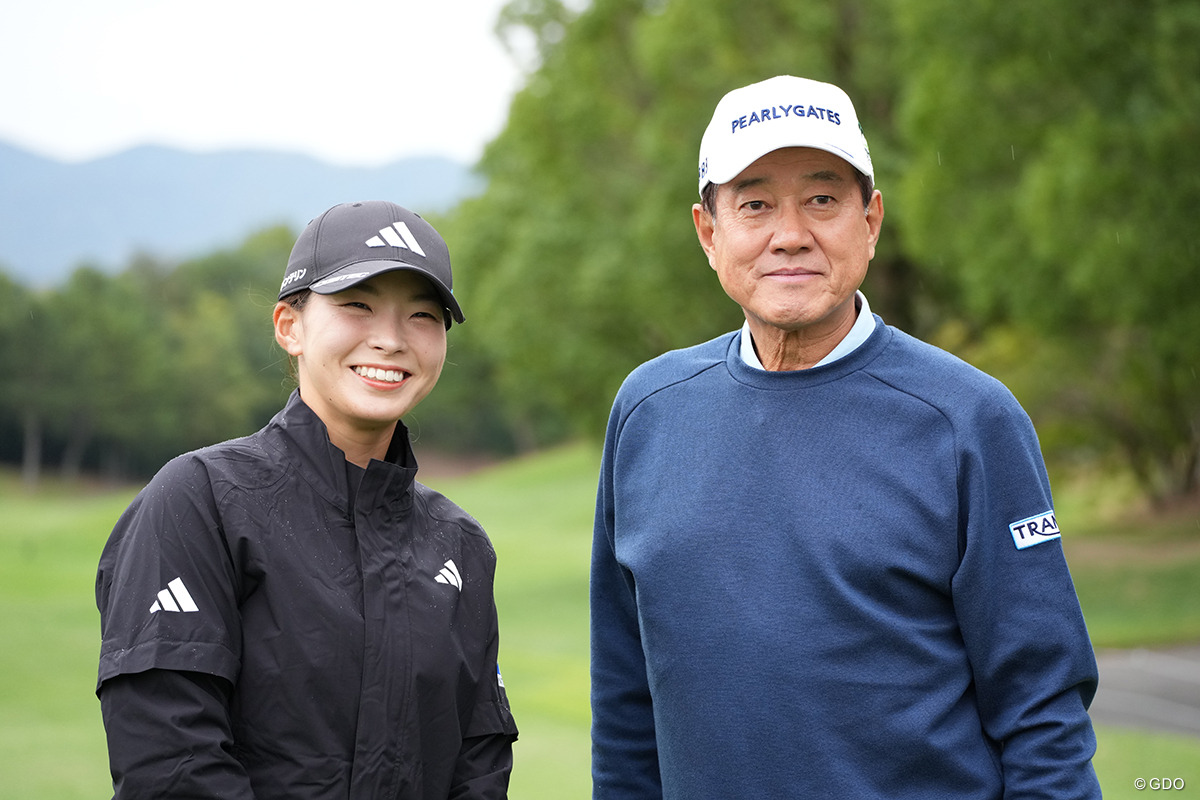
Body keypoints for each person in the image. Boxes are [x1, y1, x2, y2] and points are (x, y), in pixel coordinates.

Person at [590, 76, 1101, 799]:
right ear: (710, 233)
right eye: (755, 203)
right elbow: (624, 701)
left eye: (823, 199)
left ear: (871, 220)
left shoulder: (968, 419)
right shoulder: (648, 410)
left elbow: (1042, 710)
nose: (790, 233)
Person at [96, 200, 518, 799]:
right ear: (289, 326)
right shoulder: (201, 501)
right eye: (357, 306)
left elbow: (478, 770)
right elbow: (172, 766)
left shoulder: (460, 545)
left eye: (423, 316)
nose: (392, 339)